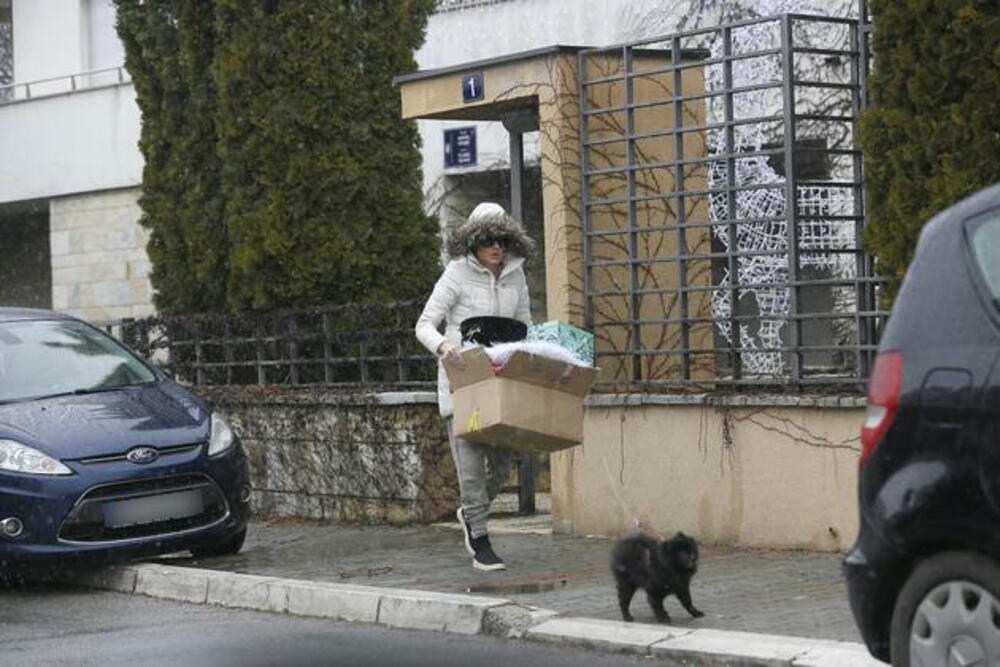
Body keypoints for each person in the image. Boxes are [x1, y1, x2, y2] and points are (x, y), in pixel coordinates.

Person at [415, 202, 534, 571]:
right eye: (488, 240)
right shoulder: (456, 273)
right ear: (473, 242)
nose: (496, 248)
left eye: (502, 240)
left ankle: (471, 512)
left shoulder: (516, 275)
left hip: (500, 383)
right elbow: (424, 324)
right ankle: (480, 539)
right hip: (462, 382)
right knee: (470, 470)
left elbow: (526, 327)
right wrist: (444, 347)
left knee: (501, 466)